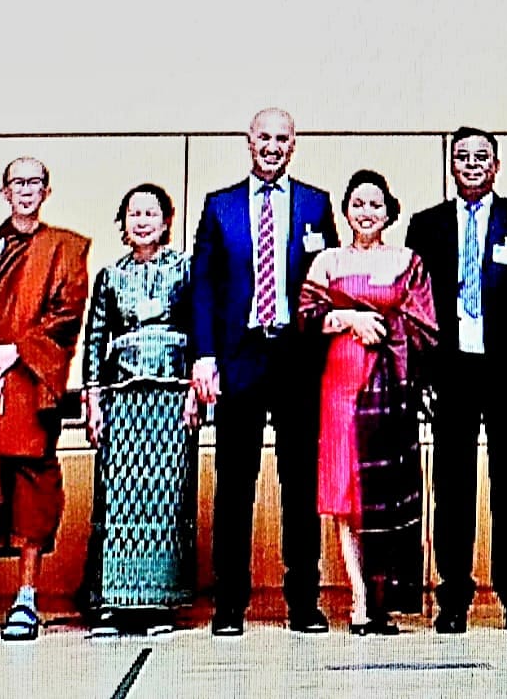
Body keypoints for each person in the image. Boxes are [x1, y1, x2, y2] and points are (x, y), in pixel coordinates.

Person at [190, 106, 339, 637]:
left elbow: (327, 281)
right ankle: (230, 604)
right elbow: (204, 286)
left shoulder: (316, 204)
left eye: (282, 138)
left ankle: (304, 601)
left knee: (300, 483)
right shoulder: (220, 205)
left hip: (298, 357)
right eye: (264, 137)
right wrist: (204, 357)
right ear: (249, 141)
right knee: (235, 483)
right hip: (240, 357)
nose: (273, 146)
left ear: (293, 145)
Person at [404, 126, 507, 634]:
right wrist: (420, 373)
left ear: (496, 165)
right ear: (451, 164)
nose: (471, 163)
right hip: (450, 372)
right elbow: (415, 305)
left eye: (481, 156)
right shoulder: (427, 224)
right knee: (452, 486)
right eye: (462, 156)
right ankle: (453, 598)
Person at [0, 157, 89, 643]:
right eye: (18, 183)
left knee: (31, 485)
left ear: (47, 191)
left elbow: (67, 314)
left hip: (31, 382)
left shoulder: (63, 248)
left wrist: (18, 351)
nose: (26, 190)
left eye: (35, 183)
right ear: (4, 192)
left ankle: (27, 597)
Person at [300, 170, 436, 635]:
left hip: (391, 388)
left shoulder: (407, 260)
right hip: (341, 386)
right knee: (347, 496)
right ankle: (359, 598)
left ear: (389, 211)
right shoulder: (327, 261)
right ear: (345, 210)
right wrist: (348, 318)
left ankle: (384, 600)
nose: (366, 212)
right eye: (357, 204)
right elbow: (306, 317)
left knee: (388, 495)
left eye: (375, 204)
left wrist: (383, 325)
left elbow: (424, 325)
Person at [82, 184, 198, 638]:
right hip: (122, 396)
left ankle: (159, 603)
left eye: (151, 213)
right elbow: (95, 339)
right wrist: (93, 398)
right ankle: (113, 603)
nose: (143, 221)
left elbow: (199, 329)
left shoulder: (185, 270)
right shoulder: (110, 276)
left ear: (166, 221)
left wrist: (195, 391)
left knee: (166, 495)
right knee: (118, 498)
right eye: (134, 213)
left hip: (172, 393)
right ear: (123, 222)